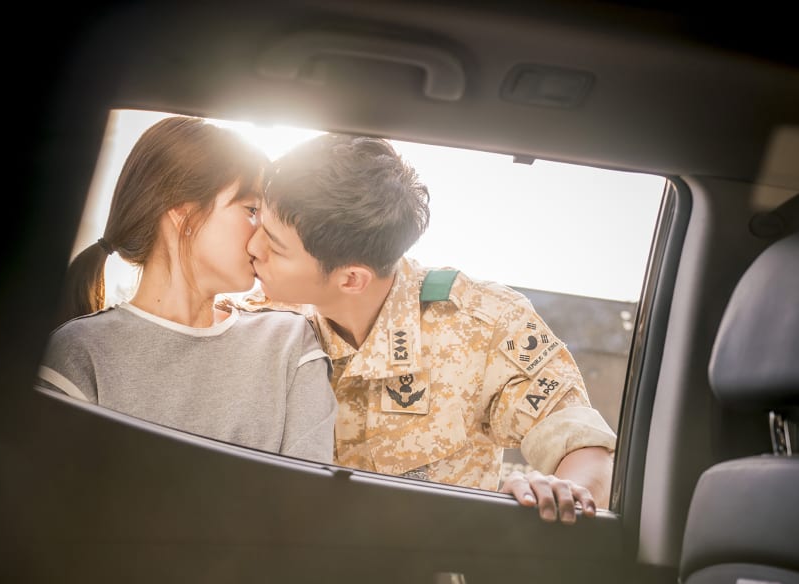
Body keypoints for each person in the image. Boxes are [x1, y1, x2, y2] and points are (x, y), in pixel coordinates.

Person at [227, 133, 617, 523]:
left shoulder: (485, 323)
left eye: (275, 246)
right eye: (257, 218)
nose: (252, 246)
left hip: (430, 556)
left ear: (351, 279)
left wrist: (559, 493)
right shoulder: (255, 321)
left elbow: (583, 447)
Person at [36, 116, 337, 463]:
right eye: (251, 210)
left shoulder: (290, 343)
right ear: (182, 212)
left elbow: (306, 492)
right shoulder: (78, 355)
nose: (262, 236)